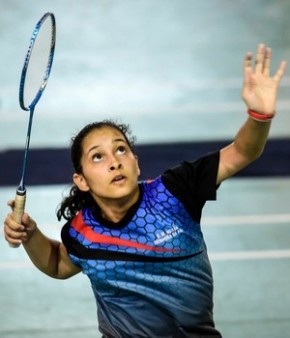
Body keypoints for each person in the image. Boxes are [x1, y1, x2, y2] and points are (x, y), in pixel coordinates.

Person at [3, 44, 287, 338]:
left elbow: (242, 152)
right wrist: (30, 234)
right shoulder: (81, 232)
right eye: (97, 157)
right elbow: (58, 264)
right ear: (82, 180)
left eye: (121, 150)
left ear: (136, 164)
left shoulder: (175, 192)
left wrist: (259, 115)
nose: (114, 162)